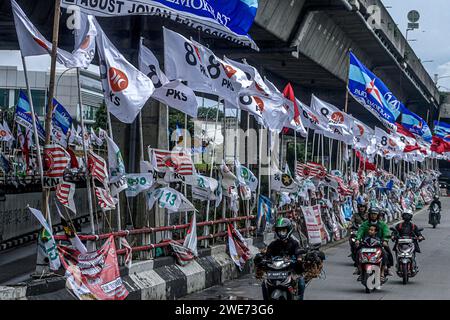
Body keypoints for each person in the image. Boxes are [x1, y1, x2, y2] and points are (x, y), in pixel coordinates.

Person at [255, 217, 306, 300]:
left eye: (284, 230)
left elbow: (298, 252)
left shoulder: (294, 243)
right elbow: (267, 255)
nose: (281, 233)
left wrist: (299, 259)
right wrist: (262, 259)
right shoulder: (273, 244)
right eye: (279, 230)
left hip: (291, 270)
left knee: (301, 282)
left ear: (288, 230)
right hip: (275, 271)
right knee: (264, 284)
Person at [355, 207, 393, 280]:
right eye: (372, 214)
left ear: (378, 215)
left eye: (375, 214)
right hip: (366, 244)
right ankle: (359, 269)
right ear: (369, 215)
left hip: (379, 244)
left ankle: (385, 270)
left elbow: (386, 232)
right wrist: (358, 240)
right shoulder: (365, 224)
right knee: (357, 252)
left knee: (386, 253)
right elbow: (360, 232)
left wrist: (385, 240)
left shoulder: (382, 224)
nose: (373, 216)